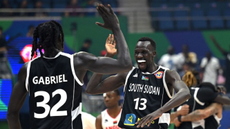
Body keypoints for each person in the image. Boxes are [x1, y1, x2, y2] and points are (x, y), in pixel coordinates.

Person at [7, 4, 132, 129]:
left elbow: (12, 114)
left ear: (39, 43)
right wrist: (116, 28)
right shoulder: (76, 62)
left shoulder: (27, 69)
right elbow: (125, 64)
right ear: (60, 39)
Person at [86, 36, 191, 128]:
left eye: (144, 52)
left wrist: (159, 111)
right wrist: (108, 56)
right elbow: (91, 89)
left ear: (153, 54)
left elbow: (185, 92)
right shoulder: (128, 74)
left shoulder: (167, 74)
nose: (139, 56)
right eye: (137, 53)